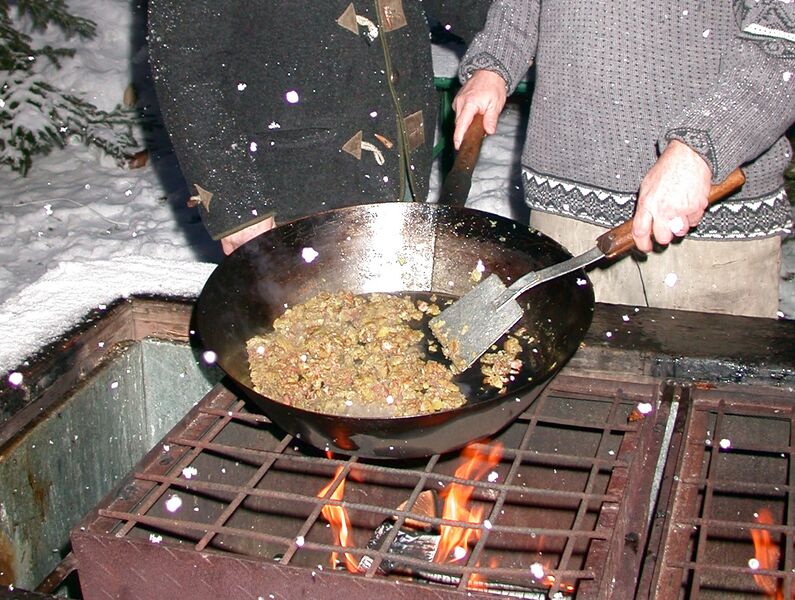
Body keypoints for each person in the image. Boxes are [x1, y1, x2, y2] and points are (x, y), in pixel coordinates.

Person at [452, 0, 794, 318]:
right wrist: (493, 64)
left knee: (709, 382)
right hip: (564, 221)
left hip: (702, 231)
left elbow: (785, 43)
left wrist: (701, 146)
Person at [148, 1, 438, 255]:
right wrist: (236, 205)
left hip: (401, 163)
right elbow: (184, 66)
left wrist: (485, 53)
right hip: (290, 192)